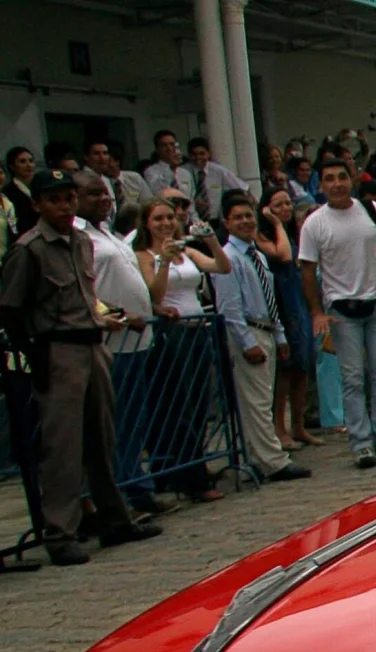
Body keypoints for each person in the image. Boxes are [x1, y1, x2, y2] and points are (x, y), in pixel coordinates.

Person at [0, 168, 163, 565]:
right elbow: (11, 308)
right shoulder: (30, 249)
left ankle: (113, 520)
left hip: (92, 345)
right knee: (63, 447)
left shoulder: (81, 243)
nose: (63, 205)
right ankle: (60, 532)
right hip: (57, 351)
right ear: (37, 204)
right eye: (53, 199)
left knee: (102, 439)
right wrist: (33, 355)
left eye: (68, 198)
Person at [297, 158, 376, 469]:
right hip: (342, 309)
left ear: (351, 180)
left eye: (341, 177)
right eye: (330, 179)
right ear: (321, 186)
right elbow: (307, 270)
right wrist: (316, 311)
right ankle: (361, 443)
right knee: (351, 378)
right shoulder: (315, 223)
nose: (337, 184)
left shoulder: (371, 211)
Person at [73, 171, 167, 515]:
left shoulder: (108, 235)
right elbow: (84, 290)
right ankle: (119, 495)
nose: (103, 199)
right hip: (112, 341)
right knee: (115, 425)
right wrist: (108, 314)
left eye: (106, 194)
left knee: (134, 422)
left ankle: (137, 486)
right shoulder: (79, 237)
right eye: (94, 193)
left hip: (138, 340)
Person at [132, 194, 231, 503]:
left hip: (198, 328)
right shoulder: (144, 255)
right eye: (158, 219)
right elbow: (155, 293)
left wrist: (211, 241)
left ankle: (194, 464)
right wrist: (162, 259)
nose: (165, 224)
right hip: (171, 333)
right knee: (181, 404)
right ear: (146, 224)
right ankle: (191, 476)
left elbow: (221, 266)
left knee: (201, 402)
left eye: (169, 218)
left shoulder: (186, 251)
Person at [211, 191, 310, 483]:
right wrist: (247, 342)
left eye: (248, 216)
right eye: (237, 217)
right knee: (254, 400)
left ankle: (259, 455)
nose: (245, 221)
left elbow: (270, 300)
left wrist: (279, 337)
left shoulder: (257, 256)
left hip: (265, 327)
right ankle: (272, 460)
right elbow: (229, 307)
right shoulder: (229, 258)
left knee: (263, 398)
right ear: (226, 223)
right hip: (248, 331)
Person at [259, 186, 322, 450]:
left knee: (303, 367)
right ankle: (279, 428)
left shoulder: (296, 234)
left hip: (299, 304)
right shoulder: (262, 234)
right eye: (278, 205)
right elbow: (283, 256)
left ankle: (299, 425)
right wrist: (275, 223)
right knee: (285, 371)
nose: (285, 209)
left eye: (287, 204)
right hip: (280, 304)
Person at [83, 141, 150, 225]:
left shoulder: (107, 181)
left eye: (105, 153)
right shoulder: (81, 180)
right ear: (86, 156)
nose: (102, 157)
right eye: (96, 154)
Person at [142, 131, 192, 200]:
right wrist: (172, 168)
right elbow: (158, 193)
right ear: (157, 149)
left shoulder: (185, 173)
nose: (169, 148)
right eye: (164, 145)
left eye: (172, 144)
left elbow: (190, 199)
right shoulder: (151, 172)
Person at [4, 147, 37, 234]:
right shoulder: (7, 193)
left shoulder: (42, 186)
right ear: (12, 166)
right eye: (22, 161)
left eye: (31, 161)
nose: (28, 165)